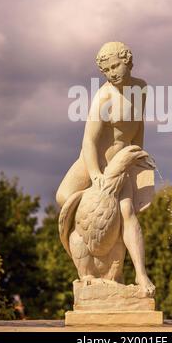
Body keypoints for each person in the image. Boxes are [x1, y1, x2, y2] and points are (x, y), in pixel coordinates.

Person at [56, 41, 155, 296]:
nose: (112, 73)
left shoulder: (142, 88)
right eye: (106, 70)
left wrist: (137, 157)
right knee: (64, 197)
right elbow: (89, 141)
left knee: (127, 213)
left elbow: (138, 124)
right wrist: (96, 174)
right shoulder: (104, 96)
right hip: (95, 161)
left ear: (128, 61)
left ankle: (141, 275)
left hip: (121, 163)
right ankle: (86, 257)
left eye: (115, 66)